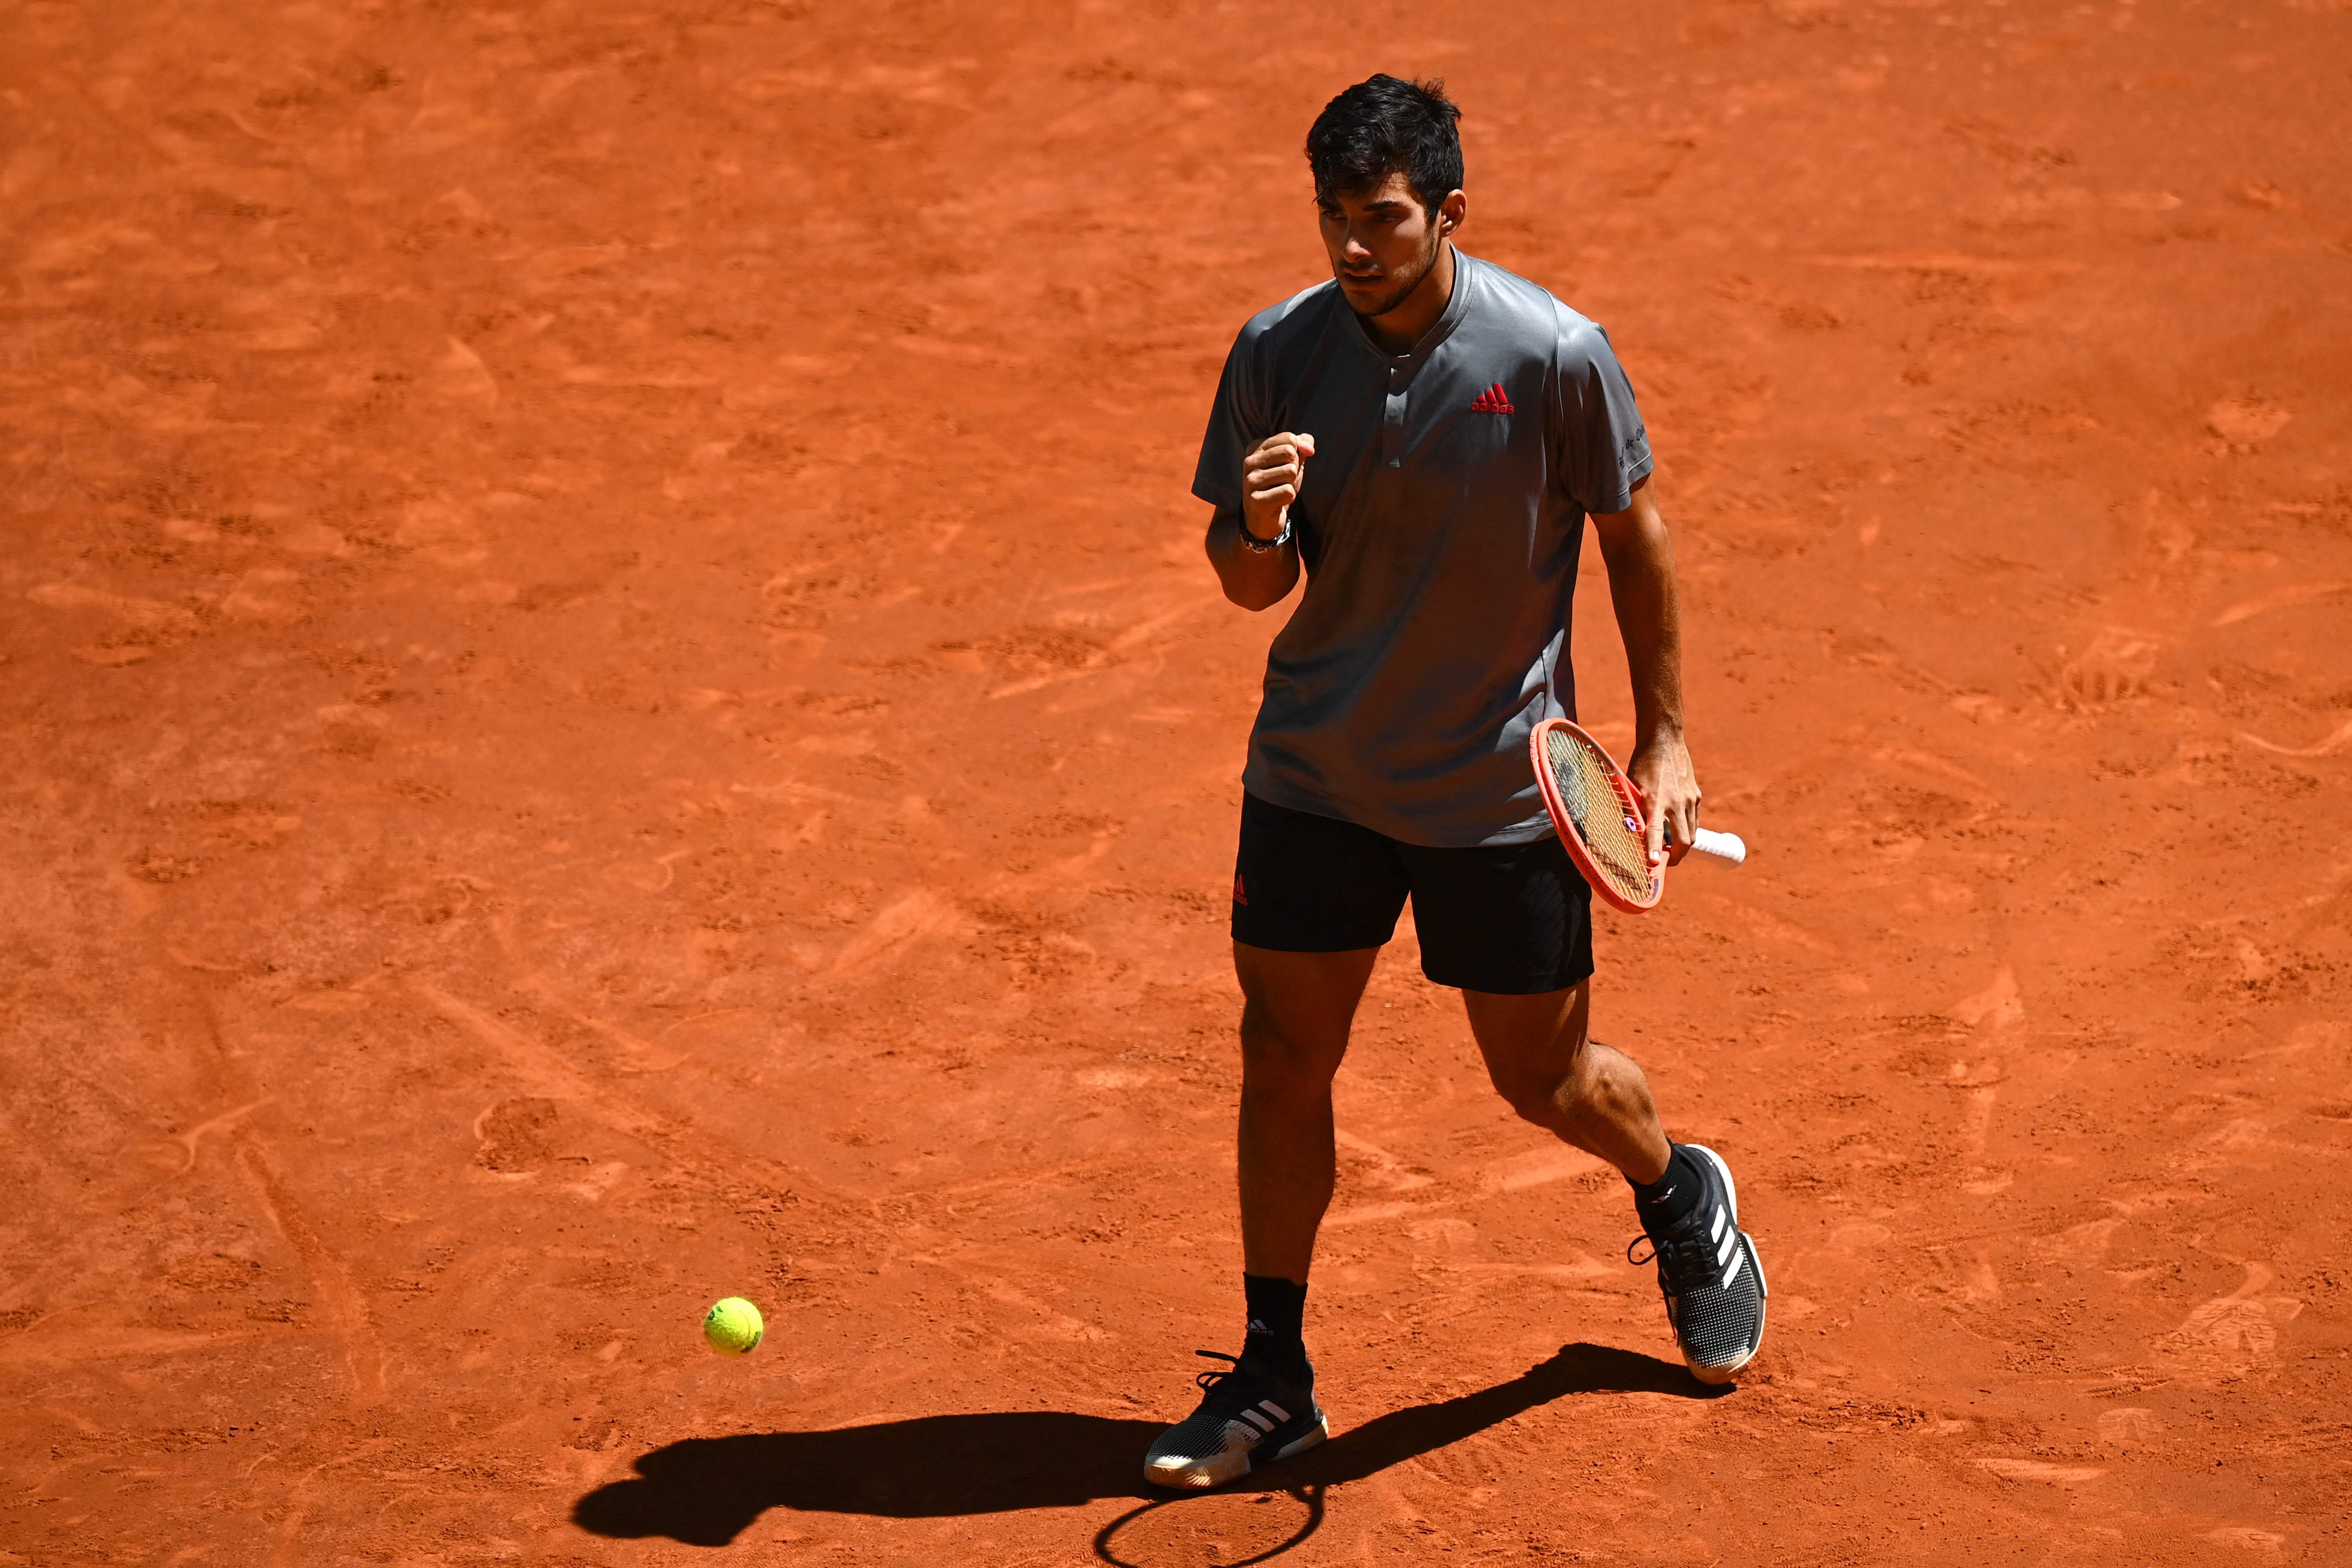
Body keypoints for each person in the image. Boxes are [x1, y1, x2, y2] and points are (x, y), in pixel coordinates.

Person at [1143, 74, 1765, 1491]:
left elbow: (1637, 537)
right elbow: (1249, 590)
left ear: (1448, 214)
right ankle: (1272, 1373)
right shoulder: (1278, 353)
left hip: (1497, 791)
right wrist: (1252, 525)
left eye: (1382, 220)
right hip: (1316, 771)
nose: (1352, 250)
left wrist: (1665, 740)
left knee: (1541, 1079)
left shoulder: (1551, 353)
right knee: (1283, 1056)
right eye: (1332, 220)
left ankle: (1679, 1189)